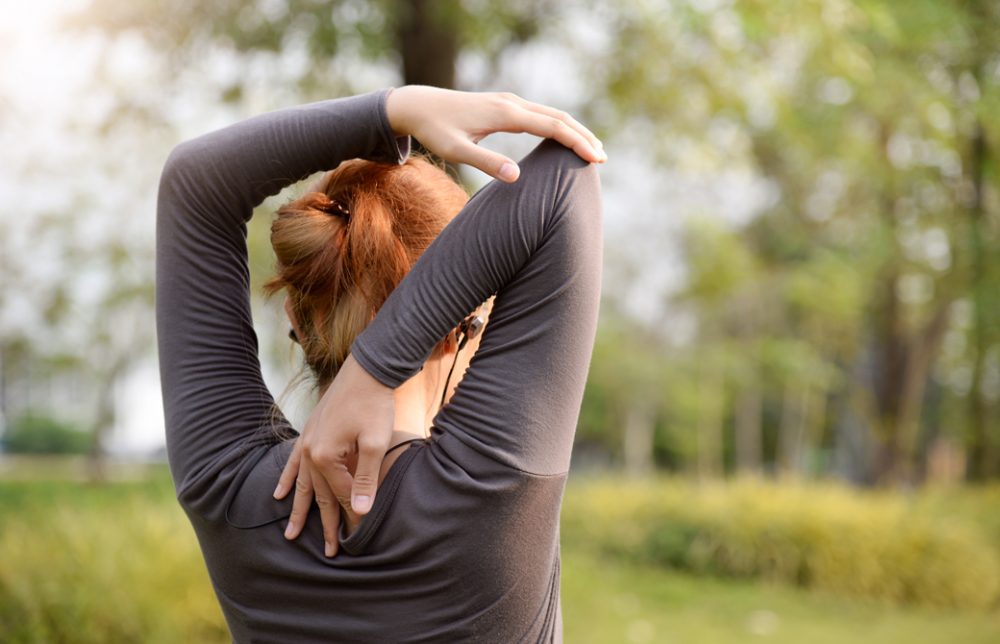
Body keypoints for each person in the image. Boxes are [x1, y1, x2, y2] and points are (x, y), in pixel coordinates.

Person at [157, 85, 605, 642]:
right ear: (466, 321)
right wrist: (377, 364)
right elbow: (568, 169)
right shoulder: (491, 488)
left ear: (295, 316)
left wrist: (396, 110)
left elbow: (195, 181)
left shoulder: (221, 483)